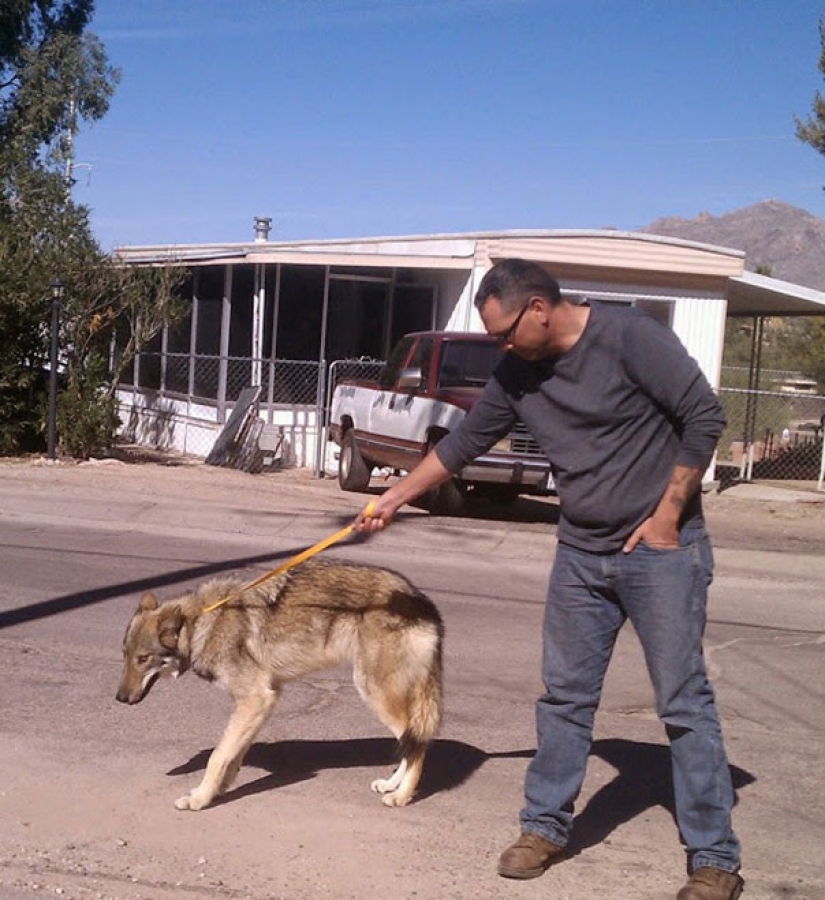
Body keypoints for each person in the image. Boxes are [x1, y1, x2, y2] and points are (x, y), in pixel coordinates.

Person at [354, 259, 743, 900]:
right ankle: (545, 827)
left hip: (660, 550)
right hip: (581, 553)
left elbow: (704, 417)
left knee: (683, 704)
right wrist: (394, 498)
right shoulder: (518, 371)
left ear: (538, 307)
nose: (501, 349)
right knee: (563, 698)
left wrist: (670, 515)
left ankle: (713, 857)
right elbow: (463, 443)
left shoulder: (631, 338)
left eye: (504, 333)